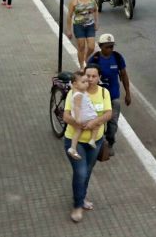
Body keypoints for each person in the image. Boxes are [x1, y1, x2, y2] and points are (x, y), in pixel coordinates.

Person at [63, 64, 112, 223]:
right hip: (74, 140)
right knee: (81, 172)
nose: (90, 79)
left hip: (95, 141)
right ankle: (77, 206)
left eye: (94, 76)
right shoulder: (74, 93)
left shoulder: (104, 93)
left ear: (99, 78)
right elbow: (66, 116)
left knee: (88, 171)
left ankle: (82, 197)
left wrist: (95, 122)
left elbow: (108, 114)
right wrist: (80, 124)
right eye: (88, 76)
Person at [87, 34, 131, 156]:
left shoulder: (117, 58)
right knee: (95, 121)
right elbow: (88, 75)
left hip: (113, 97)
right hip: (97, 97)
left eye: (111, 46)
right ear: (100, 47)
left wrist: (128, 93)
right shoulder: (95, 59)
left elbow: (124, 75)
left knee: (113, 124)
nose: (110, 49)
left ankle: (110, 142)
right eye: (107, 47)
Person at [66, 72, 98, 160]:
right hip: (85, 116)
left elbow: (73, 85)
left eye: (86, 82)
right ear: (76, 84)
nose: (87, 84)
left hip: (81, 117)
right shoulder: (79, 95)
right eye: (83, 82)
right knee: (96, 124)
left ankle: (73, 148)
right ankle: (93, 140)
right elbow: (77, 107)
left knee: (78, 131)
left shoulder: (75, 91)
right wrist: (78, 118)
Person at [67, 0, 99, 70]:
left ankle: (85, 57)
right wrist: (69, 30)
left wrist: (96, 23)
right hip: (78, 26)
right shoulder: (74, 0)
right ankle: (81, 66)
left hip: (90, 25)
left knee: (91, 47)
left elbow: (95, 10)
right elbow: (69, 15)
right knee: (81, 47)